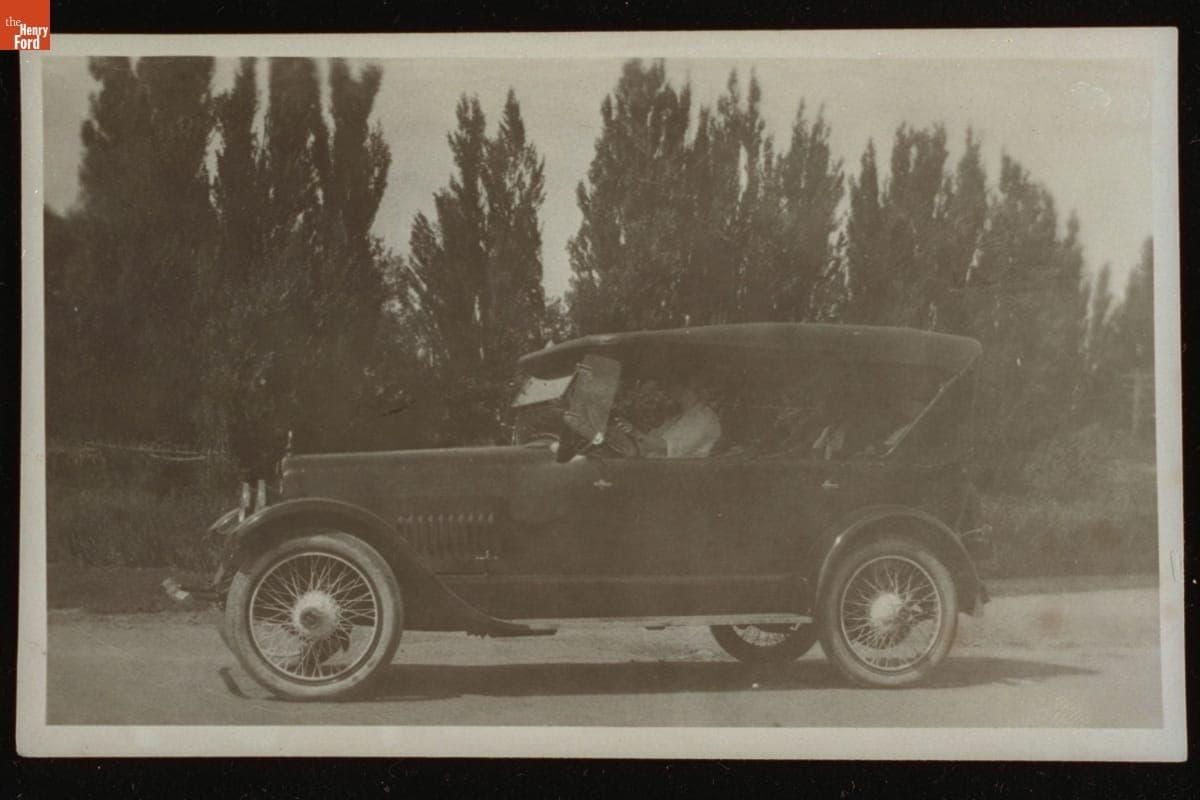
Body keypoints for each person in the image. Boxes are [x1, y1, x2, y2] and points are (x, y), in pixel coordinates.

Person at [616, 373, 722, 458]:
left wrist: (633, 431)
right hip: (658, 470)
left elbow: (667, 448)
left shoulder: (704, 417)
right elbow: (646, 444)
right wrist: (622, 437)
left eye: (669, 384)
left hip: (682, 477)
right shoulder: (675, 419)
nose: (666, 389)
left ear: (685, 387)